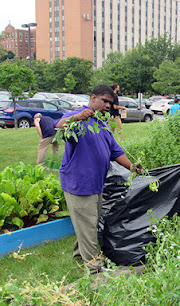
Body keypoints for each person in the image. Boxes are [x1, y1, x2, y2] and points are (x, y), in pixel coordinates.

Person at [55, 84, 137, 273]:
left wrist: (132, 167)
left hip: (96, 184)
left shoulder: (102, 123)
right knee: (89, 226)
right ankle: (94, 269)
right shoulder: (79, 117)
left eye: (110, 102)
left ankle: (79, 255)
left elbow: (115, 151)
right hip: (79, 184)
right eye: (104, 101)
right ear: (93, 98)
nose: (108, 105)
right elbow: (58, 127)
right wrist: (76, 118)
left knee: (89, 224)